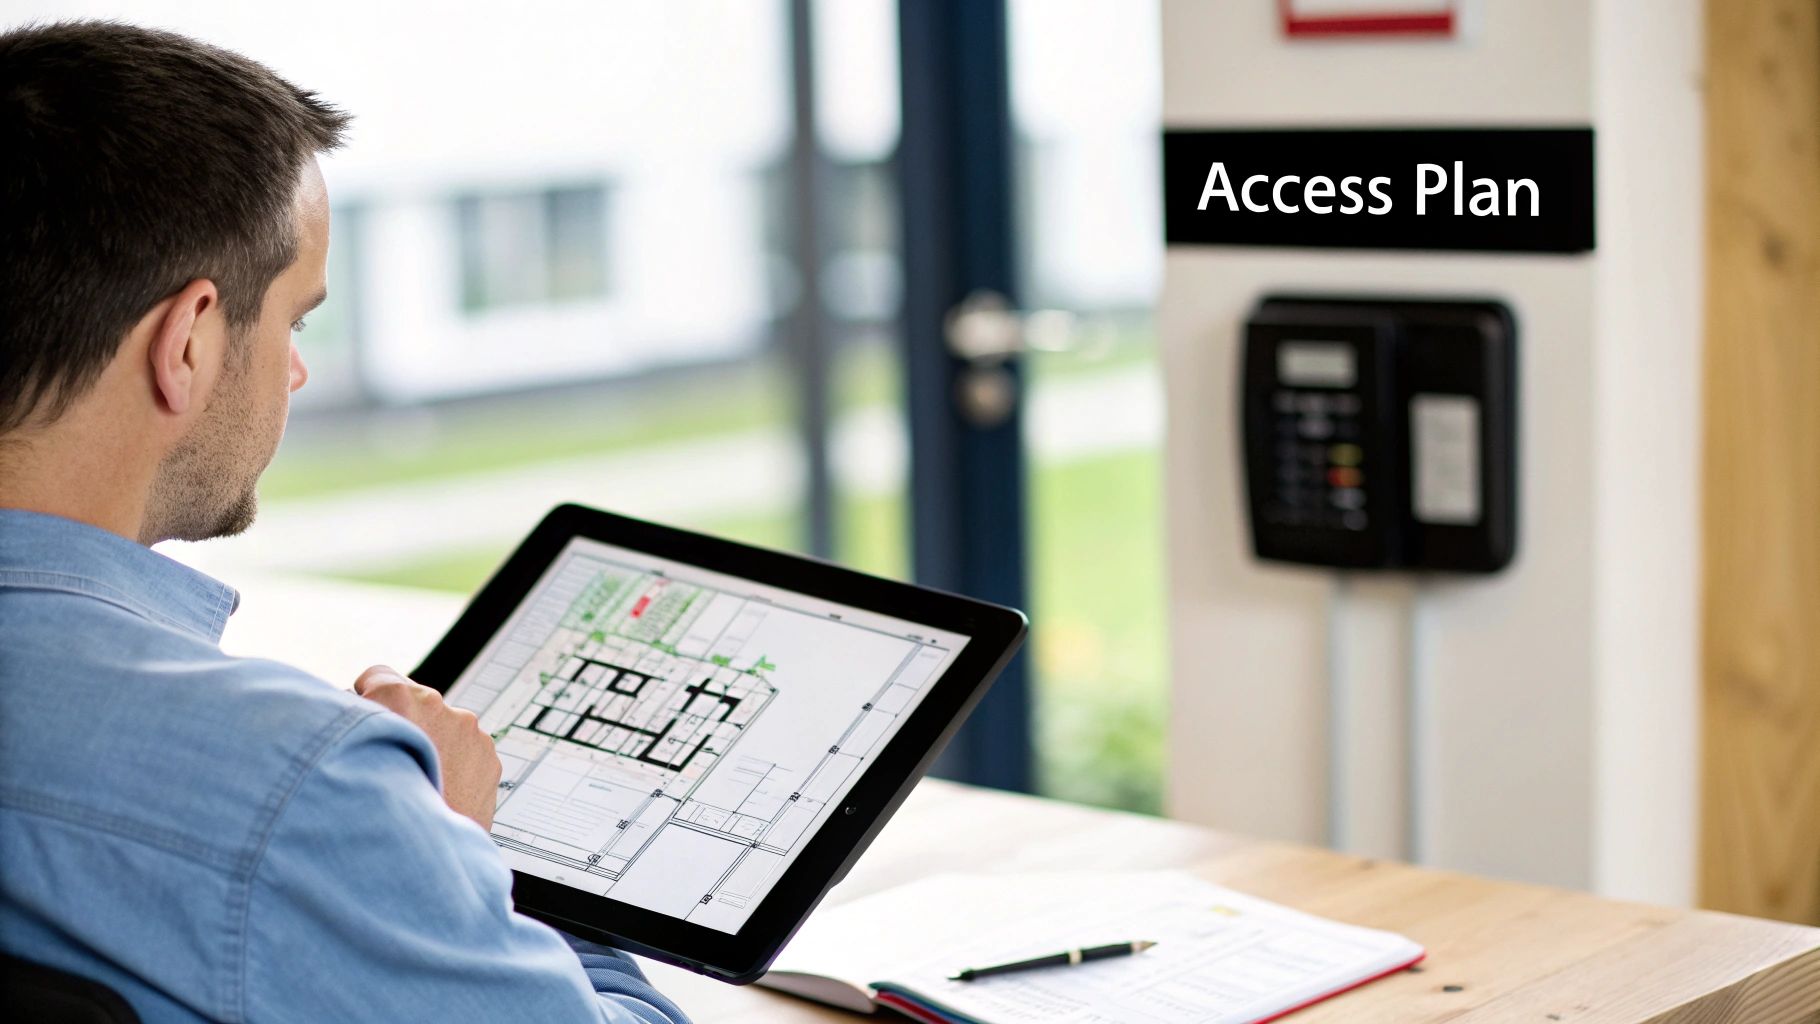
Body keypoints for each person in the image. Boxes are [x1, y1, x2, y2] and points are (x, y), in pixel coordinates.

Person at [0, 20, 689, 1024]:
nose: (296, 368)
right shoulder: (299, 790)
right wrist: (453, 855)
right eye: (295, 317)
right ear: (186, 341)